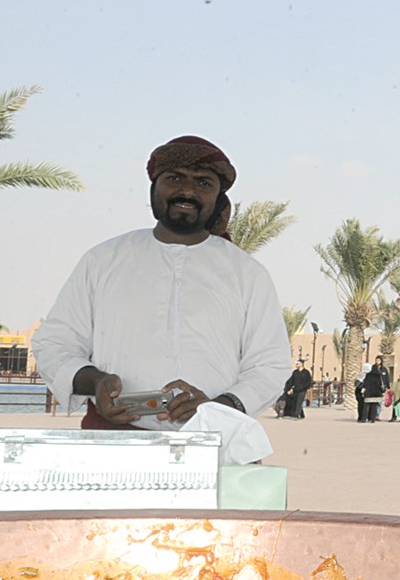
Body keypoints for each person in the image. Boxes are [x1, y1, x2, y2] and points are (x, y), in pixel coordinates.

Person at [34, 135, 290, 463]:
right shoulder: (103, 260)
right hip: (113, 446)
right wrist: (96, 382)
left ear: (218, 197)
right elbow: (55, 344)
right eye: (174, 178)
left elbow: (270, 363)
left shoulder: (246, 272)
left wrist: (218, 407)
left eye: (203, 183)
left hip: (219, 448)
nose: (188, 191)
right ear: (153, 188)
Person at [361, 357, 389, 423]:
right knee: (374, 406)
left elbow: (365, 384)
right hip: (376, 393)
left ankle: (364, 418)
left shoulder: (368, 375)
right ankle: (372, 419)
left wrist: (363, 391)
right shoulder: (378, 376)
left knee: (366, 406)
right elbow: (380, 384)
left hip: (368, 393)